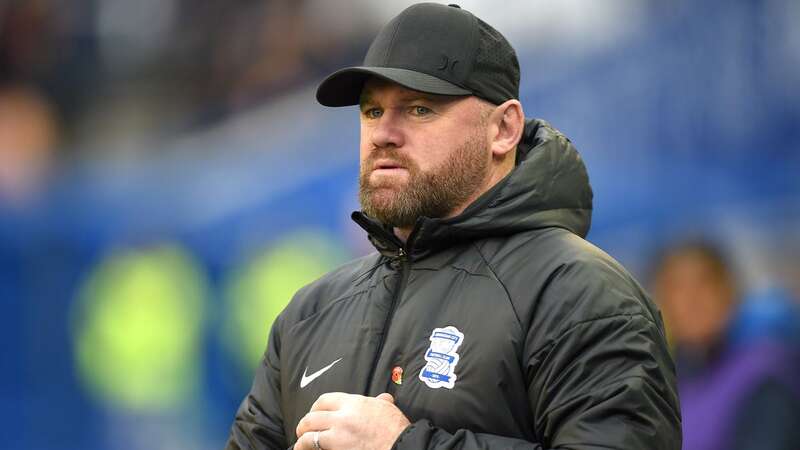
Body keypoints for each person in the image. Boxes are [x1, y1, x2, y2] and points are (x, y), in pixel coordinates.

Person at [226, 3, 681, 449]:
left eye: (420, 109)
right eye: (372, 111)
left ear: (503, 129)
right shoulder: (309, 313)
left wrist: (403, 445)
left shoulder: (582, 295)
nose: (384, 133)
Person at [652, 240, 800, 450]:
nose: (691, 300)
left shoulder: (766, 373)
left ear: (728, 291)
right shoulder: (661, 384)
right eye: (677, 289)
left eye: (704, 284)